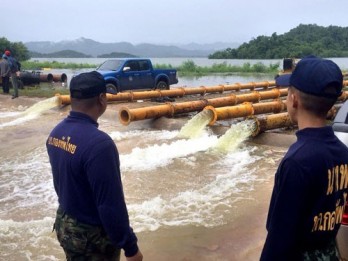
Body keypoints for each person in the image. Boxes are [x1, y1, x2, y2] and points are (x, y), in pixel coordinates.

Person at [46, 71, 143, 261]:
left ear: (72, 97)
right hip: (90, 236)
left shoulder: (56, 133)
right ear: (101, 99)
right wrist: (131, 248)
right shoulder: (100, 145)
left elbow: (63, 184)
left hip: (66, 225)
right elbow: (110, 205)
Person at [260, 56, 348, 260]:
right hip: (329, 254)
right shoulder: (343, 153)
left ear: (294, 100)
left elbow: (279, 238)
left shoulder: (297, 161)